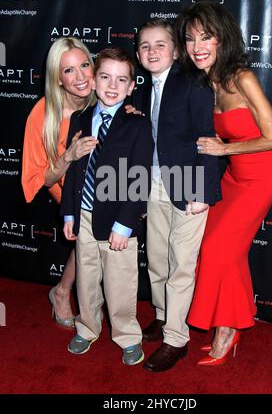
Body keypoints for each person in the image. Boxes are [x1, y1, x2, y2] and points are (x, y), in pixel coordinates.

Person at [176, 1, 272, 365]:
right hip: (235, 177)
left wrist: (225, 147)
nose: (198, 46)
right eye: (190, 39)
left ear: (223, 39)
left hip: (261, 177)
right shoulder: (207, 81)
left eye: (206, 37)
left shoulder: (242, 78)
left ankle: (227, 328)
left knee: (220, 252)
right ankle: (234, 322)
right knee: (220, 251)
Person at [133, 19, 221, 372]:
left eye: (160, 44)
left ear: (175, 50)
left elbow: (208, 138)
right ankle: (163, 314)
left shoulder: (194, 84)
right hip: (153, 184)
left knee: (180, 267)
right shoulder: (140, 90)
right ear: (138, 55)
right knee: (156, 260)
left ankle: (176, 338)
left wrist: (201, 191)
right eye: (144, 46)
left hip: (189, 187)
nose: (152, 51)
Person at [60, 47, 153, 365]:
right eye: (105, 77)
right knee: (85, 277)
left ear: (130, 87)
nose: (112, 86)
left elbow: (140, 180)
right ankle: (86, 328)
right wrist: (69, 212)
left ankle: (127, 335)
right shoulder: (80, 119)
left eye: (121, 80)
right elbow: (74, 169)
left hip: (118, 222)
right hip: (84, 214)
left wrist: (126, 224)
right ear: (94, 80)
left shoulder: (138, 126)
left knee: (120, 281)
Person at [22, 37, 97, 327]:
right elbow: (39, 178)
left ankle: (65, 290)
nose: (80, 77)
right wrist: (68, 156)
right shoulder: (42, 114)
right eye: (69, 71)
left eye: (84, 65)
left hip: (96, 181)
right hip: (62, 183)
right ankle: (63, 292)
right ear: (58, 78)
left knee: (96, 229)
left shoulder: (103, 96)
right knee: (88, 227)